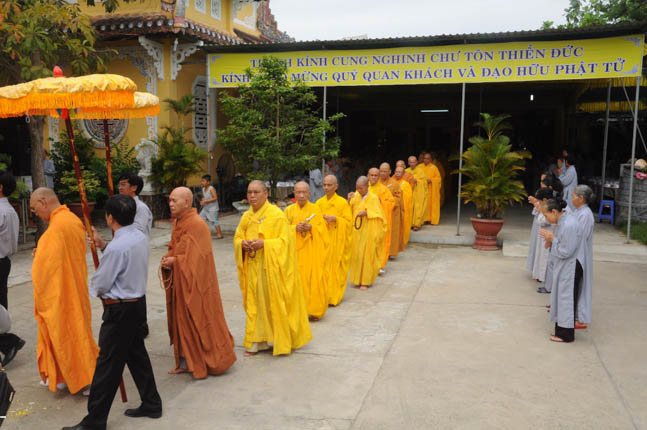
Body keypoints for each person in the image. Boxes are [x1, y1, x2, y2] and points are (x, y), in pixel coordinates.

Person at [64, 195, 162, 430]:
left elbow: (101, 283)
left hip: (120, 310)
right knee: (136, 356)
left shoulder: (117, 247)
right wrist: (103, 245)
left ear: (109, 218)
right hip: (136, 305)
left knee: (107, 366)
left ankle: (95, 421)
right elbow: (123, 259)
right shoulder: (139, 237)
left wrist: (95, 288)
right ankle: (151, 403)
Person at [161, 187, 236, 377]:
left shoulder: (197, 224)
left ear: (187, 203)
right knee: (182, 321)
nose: (170, 204)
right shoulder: (178, 222)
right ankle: (187, 361)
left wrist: (176, 261)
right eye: (170, 200)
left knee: (200, 319)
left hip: (197, 284)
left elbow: (198, 259)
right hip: (181, 281)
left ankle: (210, 360)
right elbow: (176, 247)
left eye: (174, 201)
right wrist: (169, 258)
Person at [30, 188, 98, 394]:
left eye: (34, 209)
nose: (36, 214)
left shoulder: (58, 227)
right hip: (73, 286)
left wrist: (39, 256)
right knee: (75, 332)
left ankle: (83, 379)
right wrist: (42, 252)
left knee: (67, 334)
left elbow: (45, 267)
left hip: (62, 293)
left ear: (43, 202)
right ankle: (64, 376)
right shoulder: (72, 220)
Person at [234, 180, 312, 356]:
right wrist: (242, 244)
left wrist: (265, 244)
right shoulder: (247, 216)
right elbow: (238, 237)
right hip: (253, 266)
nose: (252, 196)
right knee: (255, 304)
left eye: (256, 192)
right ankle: (257, 341)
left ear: (266, 193)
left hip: (272, 269)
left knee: (275, 304)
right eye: (249, 192)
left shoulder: (276, 215)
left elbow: (286, 243)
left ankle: (282, 340)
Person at [539, 198, 582, 343]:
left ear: (554, 212)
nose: (546, 219)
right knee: (561, 298)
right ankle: (561, 330)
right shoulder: (562, 221)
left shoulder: (569, 224)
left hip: (570, 266)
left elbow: (566, 251)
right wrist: (550, 239)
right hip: (564, 265)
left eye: (546, 215)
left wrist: (553, 239)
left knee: (566, 299)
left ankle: (566, 335)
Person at [285, 182, 329, 320]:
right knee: (295, 282)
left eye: (304, 192)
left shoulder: (315, 209)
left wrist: (311, 228)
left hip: (311, 252)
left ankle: (313, 310)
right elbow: (281, 230)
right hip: (294, 253)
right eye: (298, 192)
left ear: (309, 193)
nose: (301, 195)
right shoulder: (289, 211)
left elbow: (323, 231)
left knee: (312, 281)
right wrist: (294, 228)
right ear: (294, 193)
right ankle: (296, 311)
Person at [316, 175, 352, 306]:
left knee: (336, 269)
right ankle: (324, 295)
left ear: (336, 187)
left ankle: (334, 297)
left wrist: (336, 219)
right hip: (323, 241)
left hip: (337, 242)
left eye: (329, 185)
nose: (326, 187)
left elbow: (349, 223)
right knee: (323, 269)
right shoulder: (319, 203)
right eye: (324, 185)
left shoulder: (342, 203)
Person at [348, 176, 386, 290]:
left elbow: (380, 215)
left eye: (361, 188)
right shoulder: (355, 196)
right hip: (357, 231)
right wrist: (348, 200)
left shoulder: (373, 198)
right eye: (357, 188)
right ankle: (357, 279)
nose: (359, 190)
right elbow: (349, 210)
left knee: (367, 256)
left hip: (369, 231)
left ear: (367, 186)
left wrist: (367, 213)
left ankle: (366, 281)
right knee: (357, 255)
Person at [572, 185, 595, 329]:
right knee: (574, 287)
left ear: (581, 198)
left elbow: (579, 236)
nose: (572, 198)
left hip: (579, 255)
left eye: (574, 195)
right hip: (575, 254)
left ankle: (578, 318)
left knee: (577, 287)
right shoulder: (578, 211)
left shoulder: (585, 214)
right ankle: (573, 315)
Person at [368, 167, 394, 272]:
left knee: (380, 243)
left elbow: (391, 203)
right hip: (367, 221)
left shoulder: (384, 190)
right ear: (368, 176)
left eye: (376, 175)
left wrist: (381, 202)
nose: (374, 177)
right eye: (372, 175)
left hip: (379, 221)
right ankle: (368, 264)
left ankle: (380, 265)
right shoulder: (364, 188)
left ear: (379, 177)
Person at [529, 188, 554, 287]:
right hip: (543, 234)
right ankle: (538, 275)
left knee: (545, 257)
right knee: (540, 255)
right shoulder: (544, 205)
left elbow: (544, 221)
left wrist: (540, 211)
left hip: (548, 234)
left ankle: (543, 278)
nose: (538, 202)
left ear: (544, 199)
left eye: (539, 200)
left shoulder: (551, 206)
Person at [379, 162, 405, 257]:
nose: (383, 173)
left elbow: (398, 199)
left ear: (390, 172)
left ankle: (389, 252)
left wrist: (384, 201)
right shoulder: (375, 182)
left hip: (390, 212)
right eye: (381, 171)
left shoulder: (394, 184)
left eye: (385, 171)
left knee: (391, 232)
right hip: (378, 213)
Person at [117, 173, 152, 238]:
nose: (120, 188)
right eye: (119, 185)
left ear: (134, 188)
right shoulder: (122, 205)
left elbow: (138, 231)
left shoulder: (141, 207)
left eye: (123, 185)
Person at [406, 156, 428, 231]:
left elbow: (424, 182)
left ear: (416, 162)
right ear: (408, 163)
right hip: (409, 193)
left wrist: (417, 181)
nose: (412, 164)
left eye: (413, 162)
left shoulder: (420, 171)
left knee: (418, 208)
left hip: (418, 193)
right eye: (410, 162)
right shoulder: (406, 171)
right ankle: (409, 224)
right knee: (409, 208)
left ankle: (417, 224)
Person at [199, 174, 224, 239]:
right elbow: (205, 197)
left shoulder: (211, 189)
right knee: (200, 219)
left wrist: (205, 201)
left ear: (208, 182)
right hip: (206, 208)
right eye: (201, 181)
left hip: (213, 208)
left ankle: (220, 234)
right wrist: (203, 201)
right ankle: (203, 232)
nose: (202, 182)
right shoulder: (203, 189)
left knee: (214, 221)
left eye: (203, 181)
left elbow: (215, 198)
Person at [393, 166, 413, 246]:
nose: (397, 174)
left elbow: (408, 197)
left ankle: (402, 242)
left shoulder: (405, 184)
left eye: (399, 172)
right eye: (396, 172)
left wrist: (399, 193)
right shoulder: (391, 182)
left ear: (403, 174)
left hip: (402, 208)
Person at [422, 152, 442, 225]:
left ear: (431, 159)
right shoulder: (419, 167)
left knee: (431, 205)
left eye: (428, 158)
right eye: (425, 158)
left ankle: (431, 219)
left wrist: (431, 180)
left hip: (431, 190)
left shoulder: (434, 168)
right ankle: (423, 219)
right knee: (423, 205)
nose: (426, 160)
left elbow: (439, 179)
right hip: (422, 190)